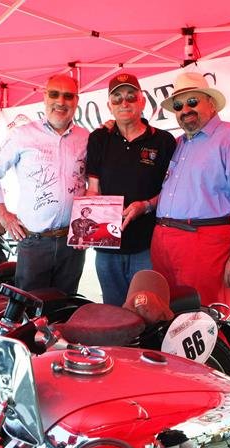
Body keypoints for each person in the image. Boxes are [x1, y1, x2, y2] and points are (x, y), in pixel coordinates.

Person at [151, 71, 230, 320]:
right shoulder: (179, 144)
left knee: (207, 321)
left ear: (211, 103)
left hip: (207, 244)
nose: (185, 110)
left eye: (193, 101)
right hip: (165, 244)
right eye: (179, 106)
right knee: (170, 321)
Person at [0, 73, 88, 294]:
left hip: (73, 243)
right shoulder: (23, 135)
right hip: (34, 243)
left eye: (68, 96)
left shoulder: (86, 138)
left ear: (76, 101)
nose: (61, 102)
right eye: (54, 94)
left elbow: (96, 183)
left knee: (65, 306)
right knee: (30, 307)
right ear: (44, 97)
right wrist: (3, 215)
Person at [86, 73, 176, 305]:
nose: (124, 103)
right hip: (107, 247)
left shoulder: (164, 141)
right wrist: (85, 229)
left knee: (148, 311)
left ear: (142, 100)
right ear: (109, 106)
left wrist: (145, 206)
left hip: (147, 245)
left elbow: (172, 192)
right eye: (117, 98)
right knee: (113, 312)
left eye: (130, 97)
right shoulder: (98, 138)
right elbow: (93, 189)